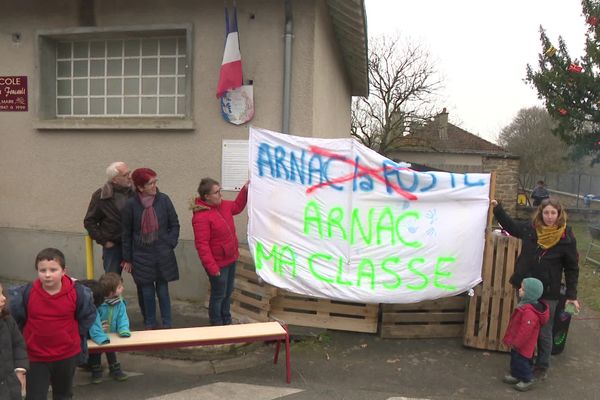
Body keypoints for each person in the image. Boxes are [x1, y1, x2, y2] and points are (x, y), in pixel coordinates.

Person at [491, 198, 579, 380]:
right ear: (541, 213)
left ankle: (542, 366)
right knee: (525, 327)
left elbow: (572, 268)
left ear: (559, 214)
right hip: (526, 288)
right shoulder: (531, 228)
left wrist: (572, 294)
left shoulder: (566, 237)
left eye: (553, 213)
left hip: (548, 291)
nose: (549, 217)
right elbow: (511, 226)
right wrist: (497, 208)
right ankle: (524, 365)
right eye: (546, 212)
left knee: (545, 331)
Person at [8, 248, 96, 400]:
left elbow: (87, 316)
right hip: (35, 357)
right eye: (42, 270)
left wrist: (71, 334)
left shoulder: (78, 293)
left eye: (53, 269)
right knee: (35, 396)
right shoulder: (25, 293)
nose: (47, 274)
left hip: (67, 356)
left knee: (63, 395)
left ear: (64, 271)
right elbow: (17, 321)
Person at [122, 168, 180, 329]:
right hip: (141, 255)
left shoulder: (164, 200)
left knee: (163, 290)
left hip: (163, 252)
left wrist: (170, 243)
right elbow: (126, 233)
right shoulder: (131, 205)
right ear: (140, 187)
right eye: (150, 183)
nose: (155, 186)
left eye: (155, 182)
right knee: (147, 292)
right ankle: (150, 324)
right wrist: (127, 258)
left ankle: (167, 324)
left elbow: (174, 224)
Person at [191, 178, 248, 326]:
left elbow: (237, 206)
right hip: (217, 264)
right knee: (218, 295)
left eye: (220, 190)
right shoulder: (201, 217)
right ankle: (216, 324)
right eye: (216, 192)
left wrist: (245, 189)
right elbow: (202, 245)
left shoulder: (224, 206)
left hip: (230, 258)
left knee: (228, 293)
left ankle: (226, 320)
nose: (220, 194)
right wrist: (212, 267)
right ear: (207, 196)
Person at [84, 161, 133, 274]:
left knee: (143, 281)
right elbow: (89, 221)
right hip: (114, 246)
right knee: (112, 281)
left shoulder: (136, 192)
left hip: (134, 243)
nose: (129, 177)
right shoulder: (101, 195)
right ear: (114, 179)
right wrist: (104, 241)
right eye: (125, 175)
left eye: (129, 173)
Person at [502, 277, 549, 392]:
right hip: (517, 343)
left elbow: (525, 331)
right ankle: (516, 375)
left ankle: (528, 379)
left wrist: (517, 343)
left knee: (522, 362)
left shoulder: (529, 313)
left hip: (523, 345)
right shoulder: (524, 306)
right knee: (515, 359)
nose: (519, 290)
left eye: (523, 289)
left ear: (530, 294)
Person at [88, 272, 130, 383]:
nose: (123, 288)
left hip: (112, 334)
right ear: (111, 292)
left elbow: (123, 317)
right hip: (97, 336)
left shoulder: (120, 302)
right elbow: (94, 321)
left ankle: (115, 370)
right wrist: (99, 335)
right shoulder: (97, 304)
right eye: (120, 287)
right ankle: (96, 372)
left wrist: (124, 330)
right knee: (96, 352)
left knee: (111, 351)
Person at [0, 282, 28, 400]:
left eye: (2, 293)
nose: (3, 298)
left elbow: (18, 344)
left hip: (10, 385)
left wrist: (20, 369)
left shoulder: (7, 319)